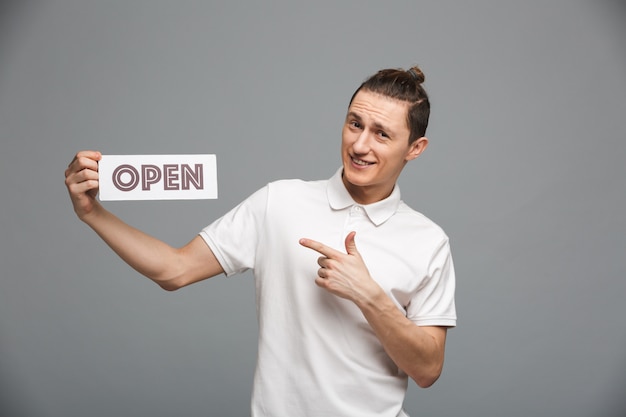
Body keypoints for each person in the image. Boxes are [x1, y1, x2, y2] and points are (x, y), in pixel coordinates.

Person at [65, 65, 456, 417]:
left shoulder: (428, 241)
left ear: (415, 149)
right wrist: (92, 214)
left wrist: (369, 295)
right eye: (355, 124)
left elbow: (427, 371)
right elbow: (175, 269)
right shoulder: (279, 202)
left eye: (382, 134)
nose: (359, 145)